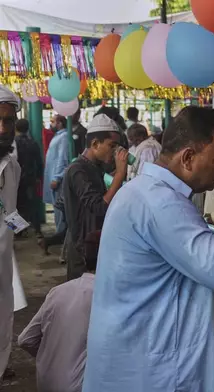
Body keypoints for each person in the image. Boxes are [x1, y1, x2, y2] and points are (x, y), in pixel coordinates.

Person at [82, 106, 214, 392]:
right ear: (189, 158)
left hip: (135, 358)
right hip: (152, 371)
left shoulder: (143, 190)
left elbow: (189, 259)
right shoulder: (162, 202)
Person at [17, 230, 101, 392]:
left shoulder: (58, 291)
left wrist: (55, 361)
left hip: (46, 383)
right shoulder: (109, 297)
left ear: (83, 257)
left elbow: (25, 339)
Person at [62, 114, 128, 281]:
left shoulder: (94, 167)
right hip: (82, 248)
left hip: (94, 245)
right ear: (95, 144)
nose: (115, 151)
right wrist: (120, 175)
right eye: (111, 146)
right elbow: (99, 206)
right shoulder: (77, 170)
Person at [0, 85, 22, 380]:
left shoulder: (13, 168)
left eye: (8, 121)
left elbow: (10, 214)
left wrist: (18, 231)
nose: (3, 128)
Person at [15, 119, 43, 237]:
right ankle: (37, 229)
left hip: (16, 178)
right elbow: (40, 162)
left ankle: (18, 230)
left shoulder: (13, 143)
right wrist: (38, 176)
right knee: (32, 204)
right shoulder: (33, 143)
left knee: (14, 205)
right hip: (30, 178)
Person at [43, 114, 69, 234]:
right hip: (53, 177)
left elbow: (62, 159)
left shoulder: (63, 137)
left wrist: (57, 177)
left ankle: (60, 234)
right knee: (56, 207)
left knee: (59, 208)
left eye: (53, 121)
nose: (50, 124)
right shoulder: (58, 136)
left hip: (58, 179)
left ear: (60, 123)